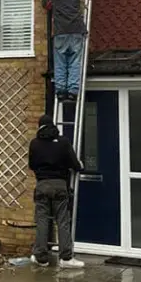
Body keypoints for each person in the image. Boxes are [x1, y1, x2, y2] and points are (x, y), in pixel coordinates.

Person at [28, 114, 84, 268]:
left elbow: (31, 165)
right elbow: (75, 164)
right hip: (60, 185)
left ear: (40, 127)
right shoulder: (63, 142)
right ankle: (66, 258)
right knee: (63, 221)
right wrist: (79, 165)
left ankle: (41, 258)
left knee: (42, 221)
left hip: (42, 185)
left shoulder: (34, 144)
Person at [42, 0, 87, 102]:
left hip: (61, 33)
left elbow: (45, 4)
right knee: (75, 62)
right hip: (77, 32)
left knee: (61, 63)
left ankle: (61, 91)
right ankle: (73, 91)